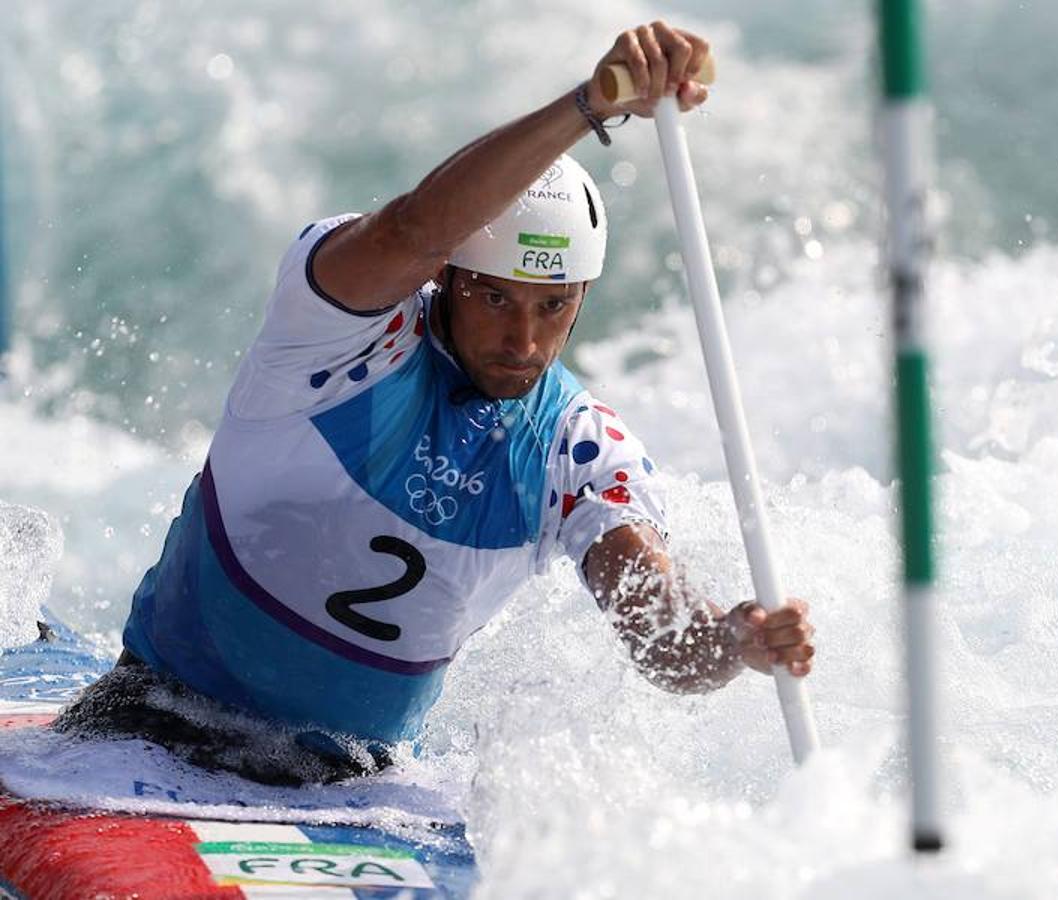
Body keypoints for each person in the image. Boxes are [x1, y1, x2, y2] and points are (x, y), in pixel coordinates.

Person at [54, 22, 815, 785]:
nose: (523, 339)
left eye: (553, 307)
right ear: (449, 277)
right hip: (153, 722)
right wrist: (589, 104)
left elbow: (660, 638)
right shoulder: (337, 338)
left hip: (356, 788)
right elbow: (410, 227)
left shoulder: (577, 448)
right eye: (495, 298)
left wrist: (732, 642)